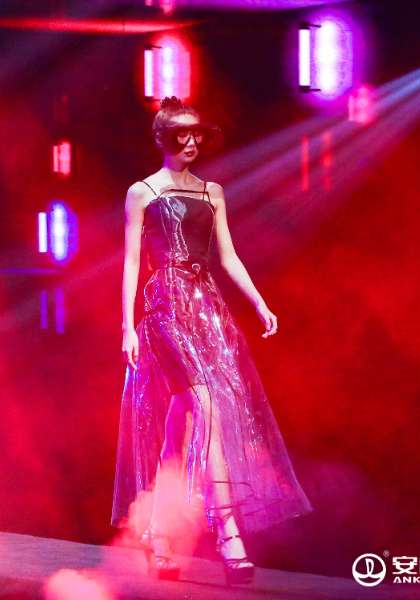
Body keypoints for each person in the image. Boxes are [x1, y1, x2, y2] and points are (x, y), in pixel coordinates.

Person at [111, 96, 314, 585]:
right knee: (206, 404)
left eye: (197, 134)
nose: (192, 142)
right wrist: (127, 326)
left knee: (184, 422)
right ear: (163, 139)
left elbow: (229, 255)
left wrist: (260, 302)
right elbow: (132, 261)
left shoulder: (212, 192)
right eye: (181, 134)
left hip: (206, 307)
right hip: (165, 306)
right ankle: (228, 533)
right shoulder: (142, 192)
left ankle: (158, 533)